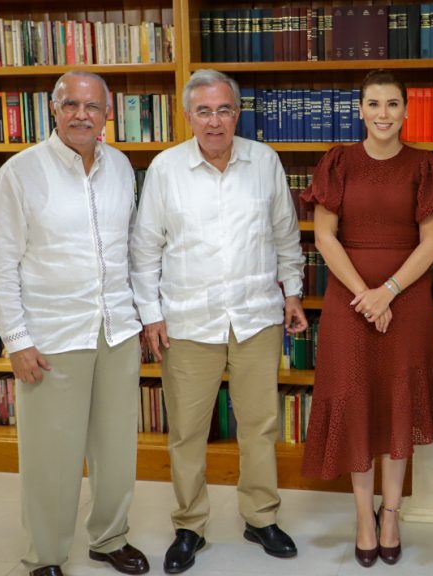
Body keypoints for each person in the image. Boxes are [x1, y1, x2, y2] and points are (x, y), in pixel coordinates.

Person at [129, 69, 307, 574]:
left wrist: (293, 293)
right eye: (203, 111)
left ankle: (260, 516)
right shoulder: (166, 169)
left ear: (237, 114)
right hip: (188, 322)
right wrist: (151, 315)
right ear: (188, 116)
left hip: (255, 317)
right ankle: (190, 525)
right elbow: (145, 249)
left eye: (224, 110)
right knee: (187, 432)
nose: (214, 121)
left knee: (260, 425)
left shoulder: (264, 162)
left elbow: (285, 235)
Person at [0, 71, 150, 576]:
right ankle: (46, 555)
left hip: (116, 329)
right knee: (51, 457)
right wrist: (16, 340)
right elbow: (2, 265)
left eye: (92, 106)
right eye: (71, 105)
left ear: (107, 114)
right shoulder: (20, 173)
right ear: (53, 109)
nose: (82, 115)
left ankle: (109, 537)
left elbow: (131, 248)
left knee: (117, 450)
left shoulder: (120, 166)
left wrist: (142, 315)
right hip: (52, 335)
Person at [299, 69, 433, 568]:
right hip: (350, 303)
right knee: (357, 404)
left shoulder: (425, 166)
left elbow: (431, 242)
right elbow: (324, 236)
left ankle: (390, 514)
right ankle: (363, 518)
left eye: (392, 104)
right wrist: (365, 295)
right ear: (361, 110)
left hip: (406, 302)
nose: (383, 113)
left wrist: (387, 291)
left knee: (396, 405)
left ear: (406, 111)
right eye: (374, 104)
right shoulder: (338, 162)